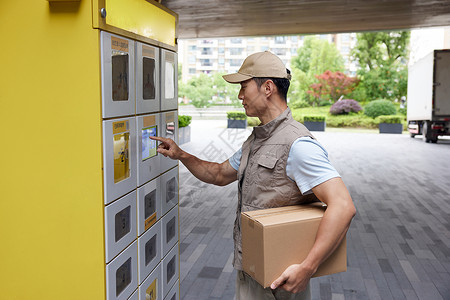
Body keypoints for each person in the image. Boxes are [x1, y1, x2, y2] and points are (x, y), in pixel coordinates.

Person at [151, 51, 356, 300]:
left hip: (279, 283)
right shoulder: (257, 141)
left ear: (267, 87)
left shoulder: (297, 144)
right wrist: (181, 155)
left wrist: (307, 267)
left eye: (243, 86)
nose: (240, 95)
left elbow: (343, 206)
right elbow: (218, 174)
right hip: (252, 271)